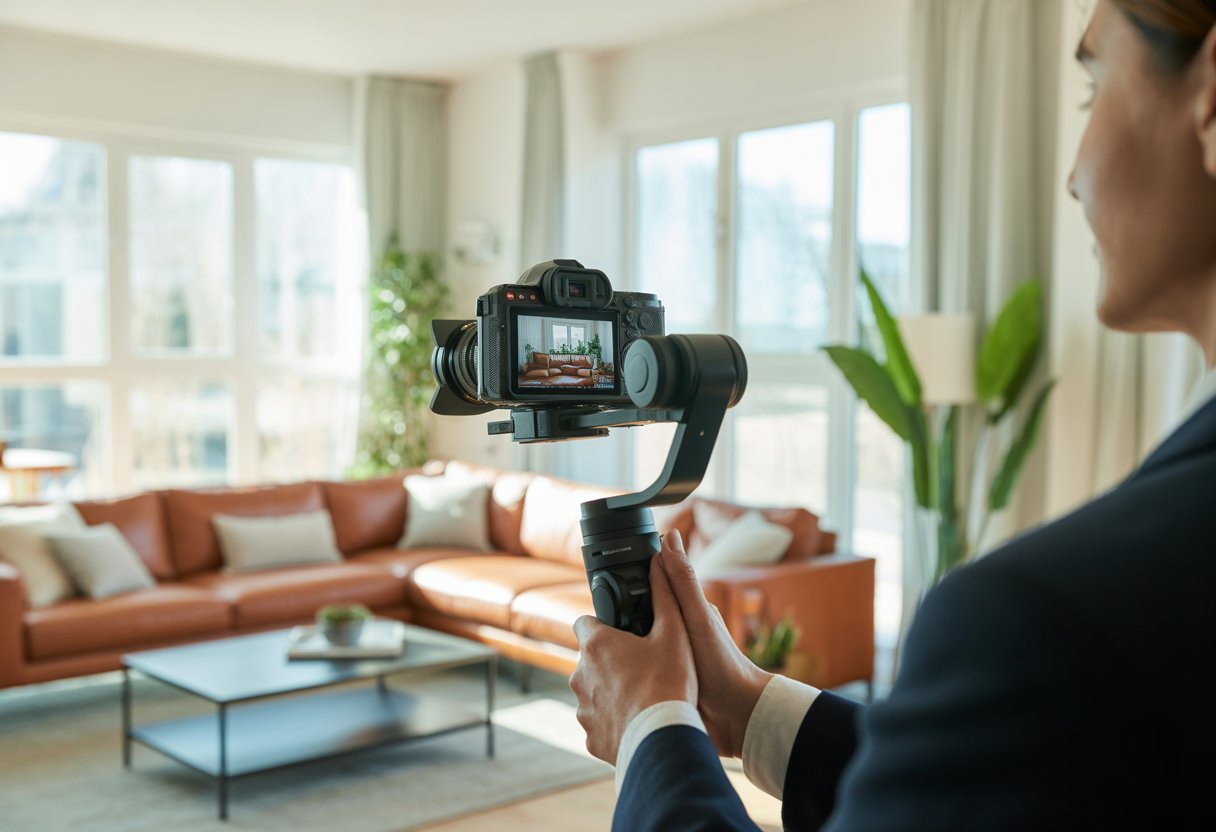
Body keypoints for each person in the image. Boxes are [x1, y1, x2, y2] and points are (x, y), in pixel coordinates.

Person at [569, 1, 1216, 829]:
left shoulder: (1037, 623)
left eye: (1093, 90)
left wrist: (652, 731)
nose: (1073, 172)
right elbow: (1029, 780)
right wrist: (745, 705)